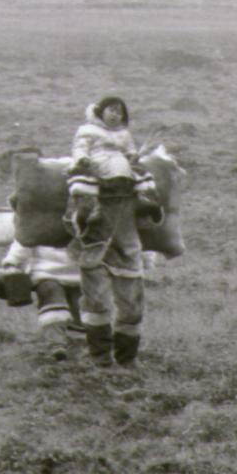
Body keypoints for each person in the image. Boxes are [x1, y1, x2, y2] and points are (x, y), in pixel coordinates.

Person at [64, 96, 161, 369]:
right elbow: (80, 152)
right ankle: (101, 358)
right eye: (111, 111)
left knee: (131, 303)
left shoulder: (125, 147)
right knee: (96, 301)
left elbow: (150, 223)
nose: (115, 116)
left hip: (127, 245)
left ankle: (127, 358)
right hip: (95, 243)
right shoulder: (86, 193)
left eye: (120, 112)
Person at [0, 239, 85, 361]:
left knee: (80, 307)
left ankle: (79, 340)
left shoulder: (82, 226)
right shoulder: (39, 227)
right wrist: (12, 262)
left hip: (78, 274)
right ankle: (56, 342)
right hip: (46, 273)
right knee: (53, 306)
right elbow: (24, 238)